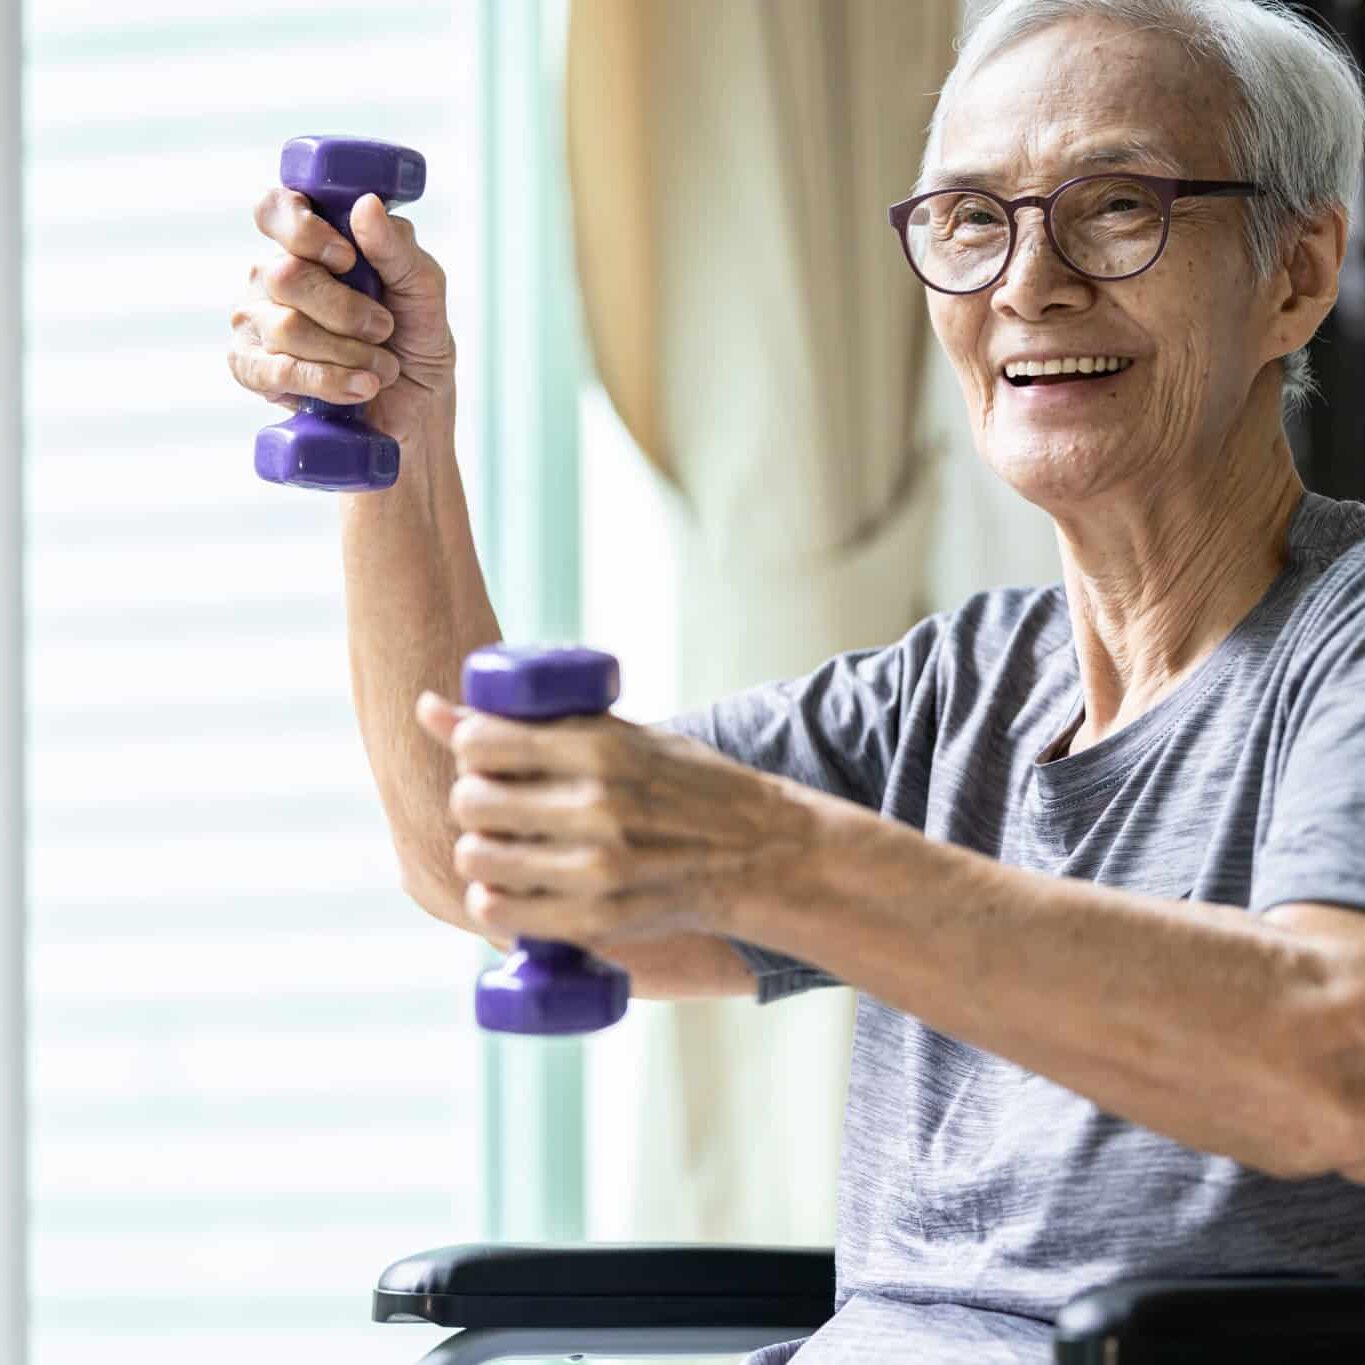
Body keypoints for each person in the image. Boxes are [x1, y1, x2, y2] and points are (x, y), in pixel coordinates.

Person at [228, 0, 1365, 1358]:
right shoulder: (956, 688)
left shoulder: (1339, 646)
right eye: (966, 218)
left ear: (1294, 275)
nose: (1026, 282)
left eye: (1115, 207)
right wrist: (397, 436)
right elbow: (491, 864)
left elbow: (1326, 1052)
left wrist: (781, 857)